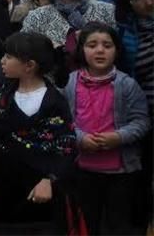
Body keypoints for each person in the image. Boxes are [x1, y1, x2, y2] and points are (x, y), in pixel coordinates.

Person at [0, 32, 78, 235]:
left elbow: (65, 145)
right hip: (5, 192)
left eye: (8, 57)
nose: (2, 61)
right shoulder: (1, 98)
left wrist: (49, 179)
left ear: (29, 65)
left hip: (42, 196)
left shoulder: (54, 101)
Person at [64, 23, 150, 235]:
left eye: (107, 45)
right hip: (83, 169)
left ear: (117, 51)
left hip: (120, 173)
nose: (100, 50)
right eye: (92, 45)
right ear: (82, 50)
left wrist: (118, 137)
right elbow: (63, 121)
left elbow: (141, 121)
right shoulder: (70, 83)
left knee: (119, 225)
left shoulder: (127, 84)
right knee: (88, 223)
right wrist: (80, 138)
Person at [22, 0, 115, 85]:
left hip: (102, 87)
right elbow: (25, 55)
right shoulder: (38, 17)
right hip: (54, 89)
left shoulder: (107, 10)